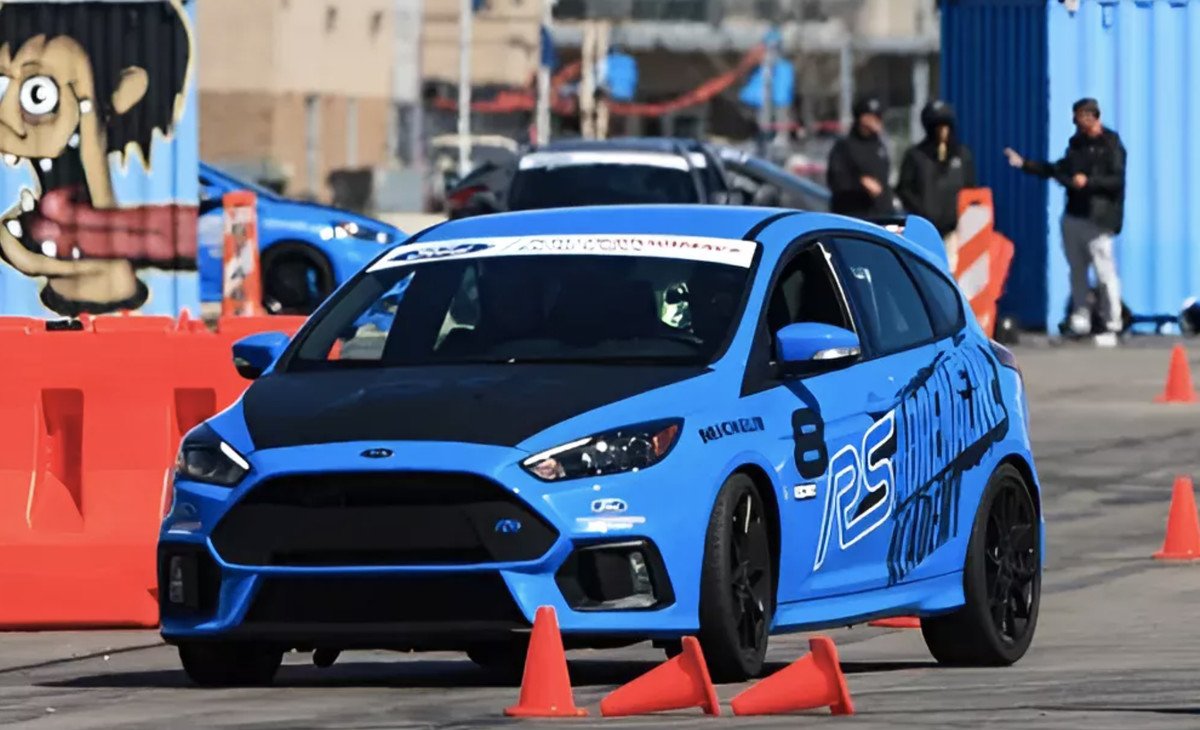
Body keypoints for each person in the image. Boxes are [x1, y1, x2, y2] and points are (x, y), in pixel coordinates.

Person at [1005, 98, 1127, 346]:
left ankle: (1112, 323)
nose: (1077, 124)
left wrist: (1089, 182)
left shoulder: (1111, 145)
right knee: (1077, 271)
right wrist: (1026, 165)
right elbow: (1059, 170)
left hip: (1099, 218)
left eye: (1081, 117)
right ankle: (1081, 318)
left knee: (1105, 273)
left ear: (1093, 116)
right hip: (1074, 215)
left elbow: (1116, 180)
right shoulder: (1076, 145)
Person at [896, 100, 977, 271]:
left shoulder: (961, 156)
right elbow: (904, 189)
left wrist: (960, 217)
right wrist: (922, 212)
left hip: (954, 230)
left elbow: (970, 189)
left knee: (952, 272)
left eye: (945, 127)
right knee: (926, 271)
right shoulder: (916, 156)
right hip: (925, 228)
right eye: (937, 127)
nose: (942, 132)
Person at [827, 96, 900, 219]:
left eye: (879, 116)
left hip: (881, 215)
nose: (877, 121)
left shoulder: (880, 145)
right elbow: (836, 179)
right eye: (872, 117)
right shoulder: (844, 146)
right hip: (853, 215)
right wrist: (860, 183)